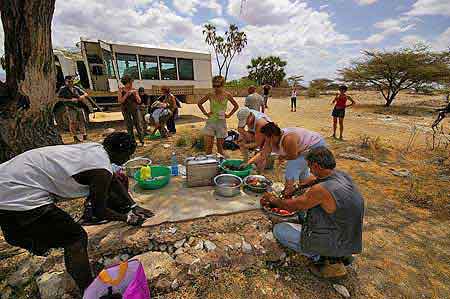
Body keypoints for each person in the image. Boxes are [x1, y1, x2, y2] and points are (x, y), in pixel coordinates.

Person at [0, 132, 153, 295]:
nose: (128, 158)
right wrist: (127, 218)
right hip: (19, 190)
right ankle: (91, 291)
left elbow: (113, 179)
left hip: (5, 177)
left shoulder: (96, 149)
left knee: (20, 223)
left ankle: (21, 236)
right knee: (76, 238)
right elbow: (99, 211)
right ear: (121, 153)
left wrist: (133, 205)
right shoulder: (101, 171)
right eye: (128, 155)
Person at [262, 147, 364, 278]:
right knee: (305, 211)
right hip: (349, 238)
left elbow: (293, 206)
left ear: (316, 166)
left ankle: (327, 259)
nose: (309, 170)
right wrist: (297, 188)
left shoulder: (321, 190)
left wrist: (272, 199)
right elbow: (314, 180)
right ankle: (341, 254)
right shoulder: (341, 175)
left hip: (335, 239)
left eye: (310, 166)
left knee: (280, 230)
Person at [246, 122, 326, 196]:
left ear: (272, 136)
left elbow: (293, 156)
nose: (265, 140)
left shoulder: (288, 139)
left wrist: (282, 157)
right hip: (301, 149)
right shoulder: (270, 139)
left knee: (292, 169)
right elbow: (263, 154)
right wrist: (248, 163)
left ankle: (288, 192)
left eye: (266, 138)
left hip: (314, 145)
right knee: (302, 171)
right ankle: (303, 193)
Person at [198, 76, 239, 156]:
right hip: (211, 123)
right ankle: (209, 164)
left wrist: (229, 115)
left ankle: (220, 165)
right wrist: (205, 113)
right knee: (209, 147)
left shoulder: (227, 95)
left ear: (223, 85)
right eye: (214, 86)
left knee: (220, 148)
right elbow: (199, 103)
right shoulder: (210, 94)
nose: (216, 88)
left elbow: (236, 106)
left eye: (218, 86)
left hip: (221, 123)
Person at [58, 75, 89, 143]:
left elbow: (86, 94)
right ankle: (74, 137)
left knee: (82, 121)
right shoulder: (63, 89)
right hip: (70, 107)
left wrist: (81, 97)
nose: (70, 83)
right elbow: (59, 98)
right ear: (66, 82)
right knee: (72, 123)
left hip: (79, 107)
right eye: (69, 82)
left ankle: (84, 135)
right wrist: (70, 100)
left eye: (71, 81)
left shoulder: (76, 88)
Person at [118, 75, 145, 146]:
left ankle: (142, 141)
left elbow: (139, 101)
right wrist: (127, 94)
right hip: (125, 110)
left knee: (138, 124)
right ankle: (132, 142)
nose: (131, 84)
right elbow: (120, 101)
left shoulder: (134, 89)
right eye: (130, 83)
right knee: (129, 126)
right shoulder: (121, 90)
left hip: (135, 109)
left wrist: (136, 94)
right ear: (126, 83)